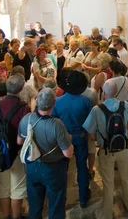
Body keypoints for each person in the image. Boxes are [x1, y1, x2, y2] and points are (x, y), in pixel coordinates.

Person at [17, 88, 74, 219]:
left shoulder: (26, 119)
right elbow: (68, 154)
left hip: (32, 166)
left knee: (34, 205)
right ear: (53, 104)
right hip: (53, 169)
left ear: (37, 102)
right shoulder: (56, 124)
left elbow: (19, 141)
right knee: (56, 205)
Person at [83, 80, 128, 219]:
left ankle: (105, 213)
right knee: (127, 178)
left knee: (108, 183)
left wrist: (99, 140)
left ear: (104, 93)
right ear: (117, 91)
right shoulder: (126, 105)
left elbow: (91, 134)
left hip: (106, 151)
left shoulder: (96, 110)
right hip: (124, 149)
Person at [0, 74, 31, 219]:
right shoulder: (24, 108)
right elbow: (27, 135)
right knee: (18, 185)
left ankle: (6, 215)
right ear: (21, 88)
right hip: (16, 153)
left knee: (4, 187)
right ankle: (17, 215)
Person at [52, 71, 93, 208]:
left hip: (64, 137)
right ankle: (83, 197)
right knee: (82, 167)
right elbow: (89, 121)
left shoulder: (57, 102)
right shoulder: (86, 101)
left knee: (62, 169)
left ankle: (62, 199)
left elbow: (54, 122)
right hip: (80, 136)